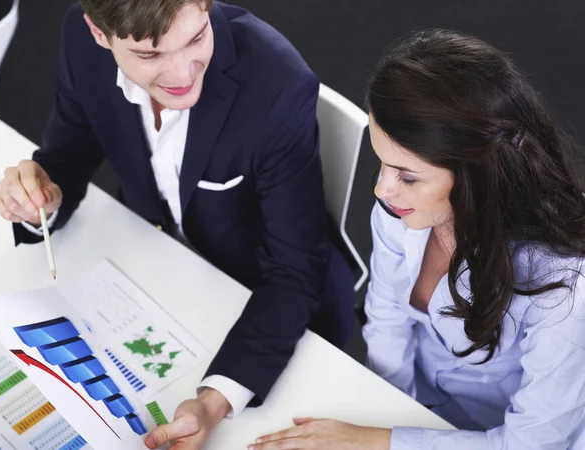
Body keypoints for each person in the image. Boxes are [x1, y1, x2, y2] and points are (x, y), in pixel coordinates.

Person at [0, 0, 357, 448]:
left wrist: (213, 401)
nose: (183, 75)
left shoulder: (279, 86)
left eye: (197, 38)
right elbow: (68, 155)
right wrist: (40, 198)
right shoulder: (79, 41)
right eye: (150, 56)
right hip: (159, 269)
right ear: (99, 34)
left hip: (273, 305)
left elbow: (296, 270)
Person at [249, 29, 585, 450]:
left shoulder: (567, 286)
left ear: (478, 176)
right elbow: (387, 316)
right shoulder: (404, 208)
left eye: (407, 175)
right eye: (383, 164)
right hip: (417, 411)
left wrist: (375, 441)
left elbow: (532, 443)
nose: (382, 190)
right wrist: (387, 410)